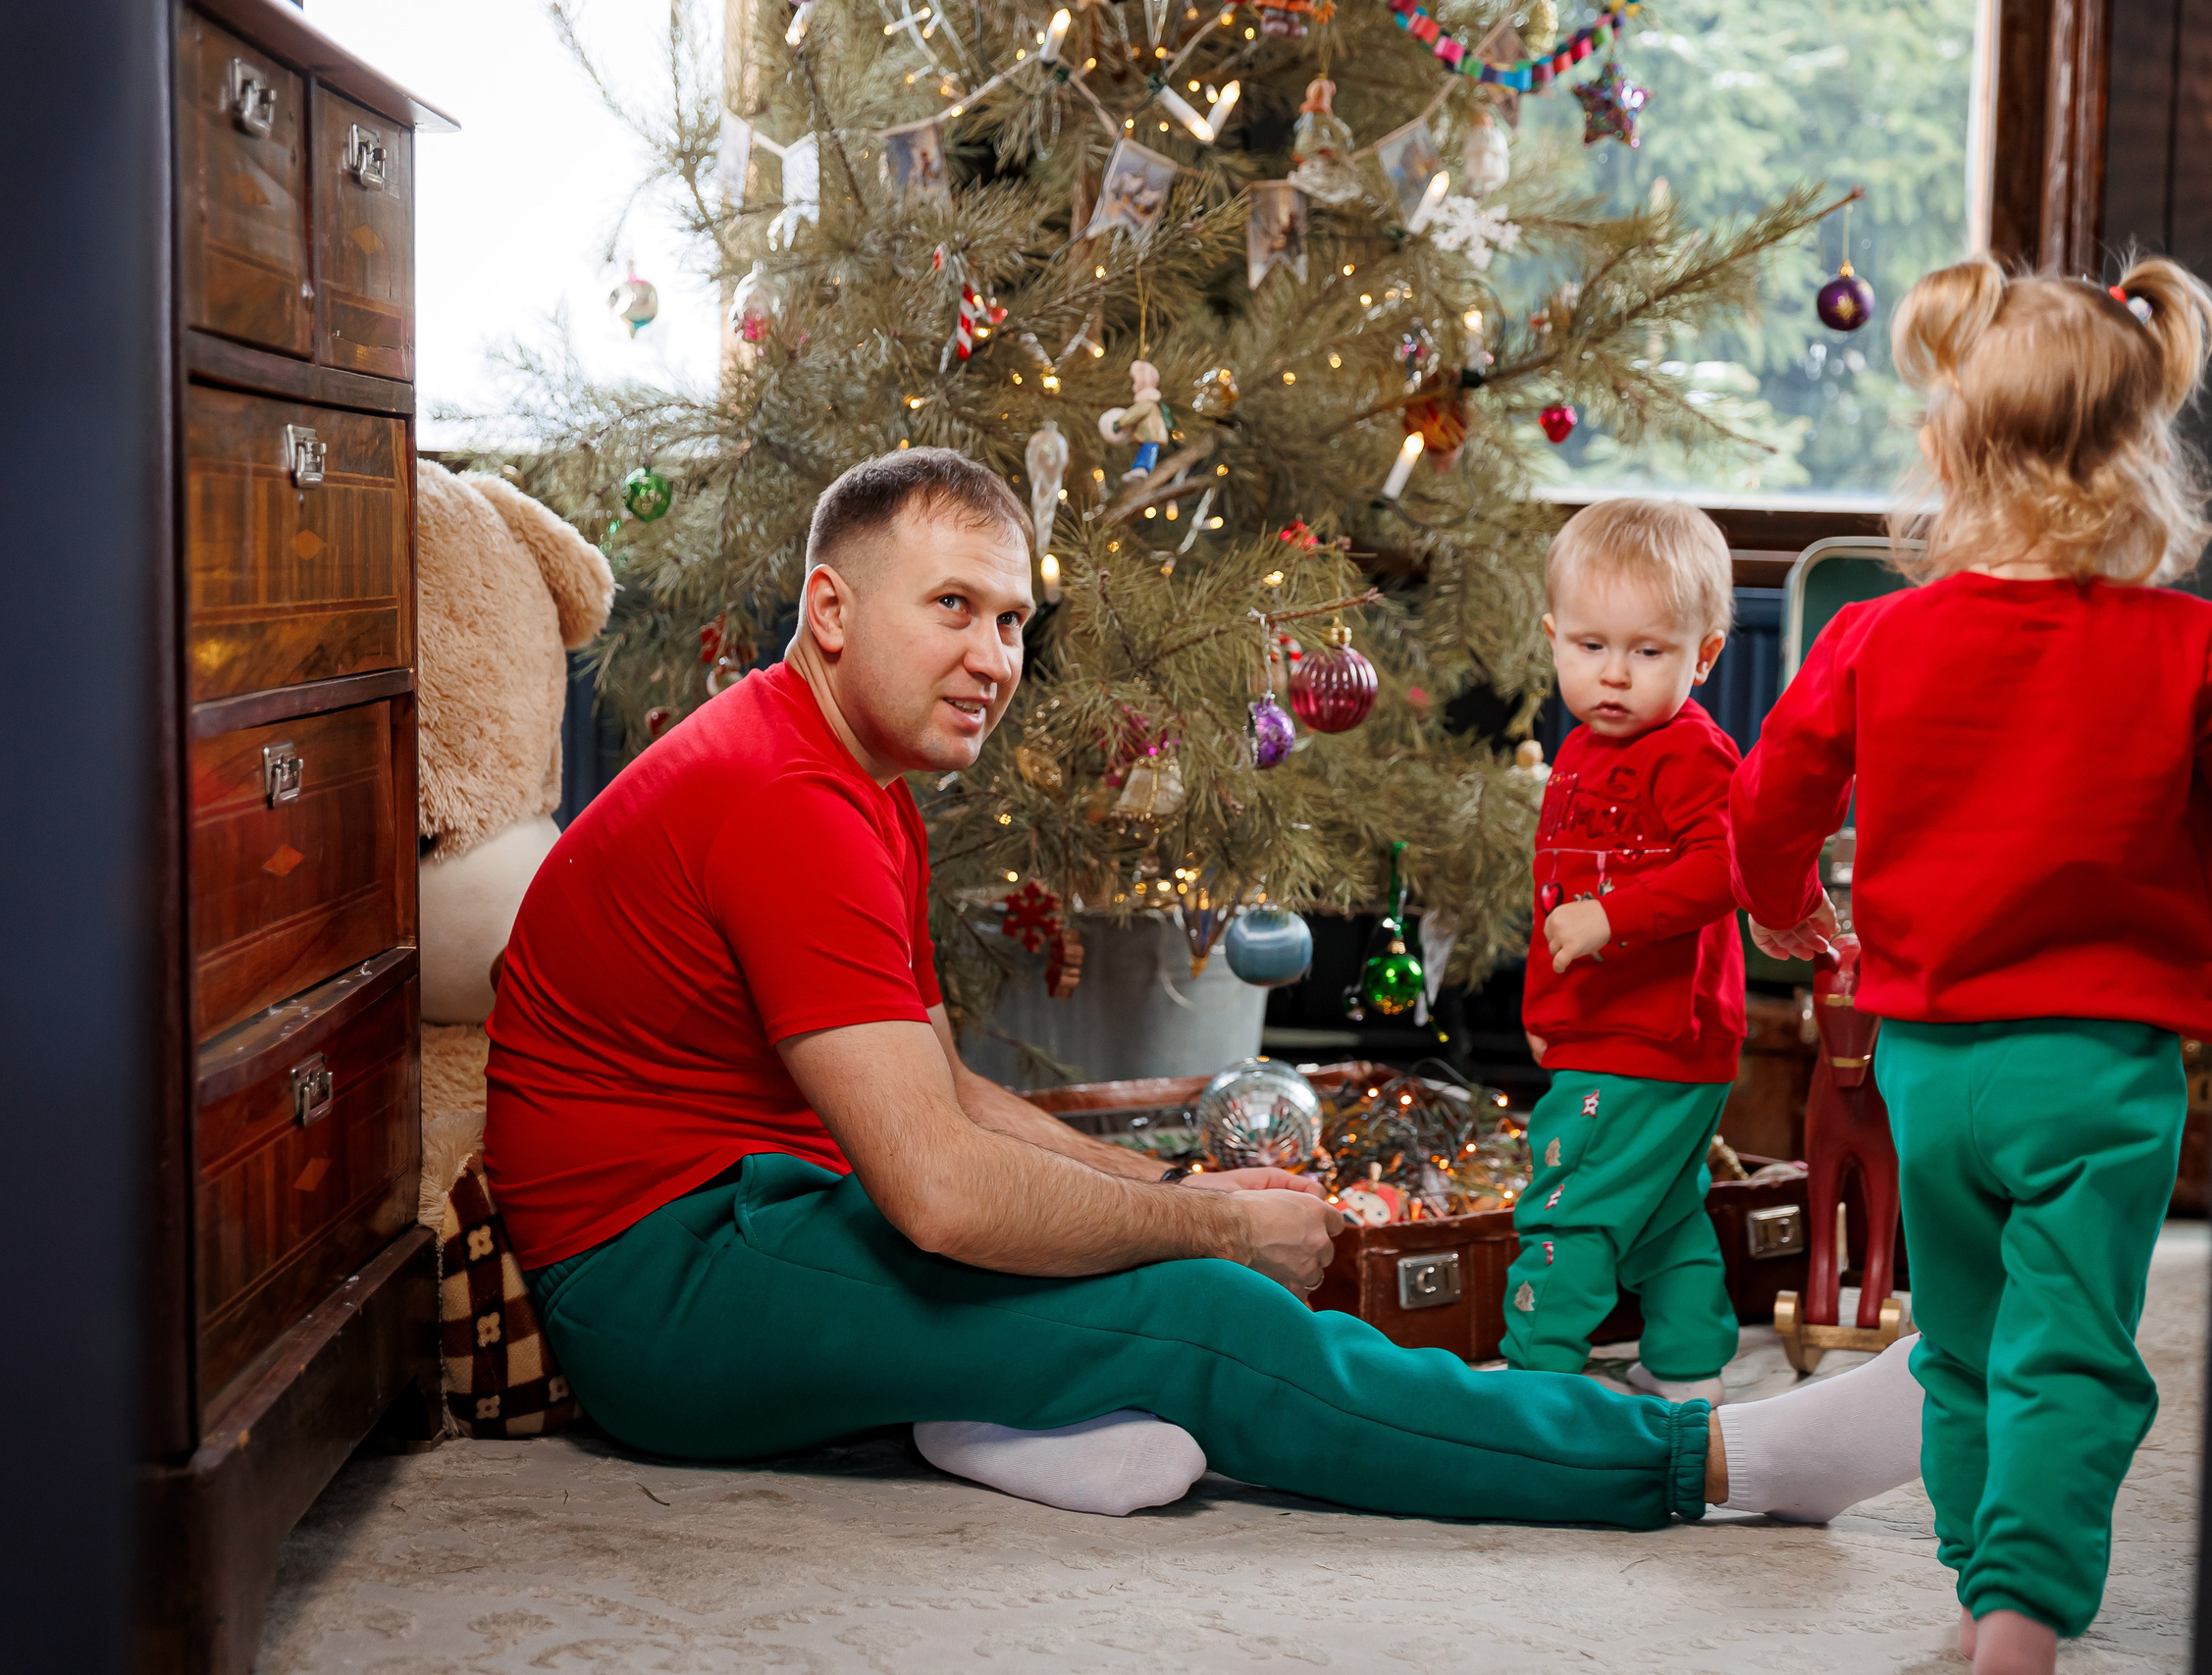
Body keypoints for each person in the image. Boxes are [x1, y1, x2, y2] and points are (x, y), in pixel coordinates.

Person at [486, 445, 1925, 1530]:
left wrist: (1155, 1197)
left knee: (1144, 1243)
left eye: (1011, 619)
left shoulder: (852, 775)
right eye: (952, 608)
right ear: (832, 607)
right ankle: (1722, 1461)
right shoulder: (786, 800)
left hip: (767, 1201)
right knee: (1210, 1318)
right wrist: (1212, 1231)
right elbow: (939, 1189)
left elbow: (955, 1093)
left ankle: (997, 1397)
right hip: (670, 1280)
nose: (994, 657)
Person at [1728, 256, 2212, 1674]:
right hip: (2105, 1068)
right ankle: (2021, 1608)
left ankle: (1976, 1593)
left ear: (1947, 445)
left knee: (1958, 1339)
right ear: (2140, 450)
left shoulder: (1875, 635)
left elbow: (1769, 805)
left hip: (1930, 1067)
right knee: (2069, 1342)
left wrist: (1781, 911)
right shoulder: (2203, 646)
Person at [1505, 499, 1745, 1406]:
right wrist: (1547, 1021)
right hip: (1608, 1030)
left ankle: (1537, 1378)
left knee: (1569, 1200)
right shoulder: (1577, 749)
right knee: (1662, 1207)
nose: (1614, 675)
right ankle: (1687, 1366)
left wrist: (1615, 917)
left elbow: (1729, 866)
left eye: (1648, 652)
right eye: (1589, 646)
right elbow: (1553, 905)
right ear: (1554, 636)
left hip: (1653, 1033)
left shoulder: (1690, 753)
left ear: (1705, 654)